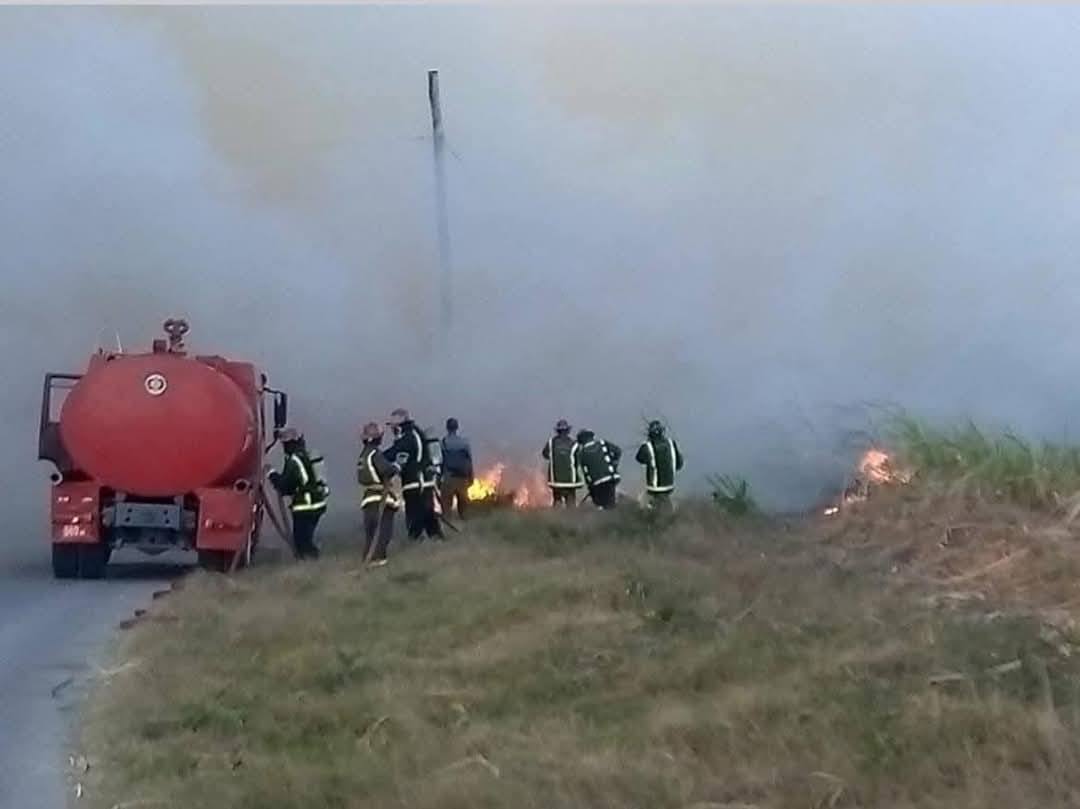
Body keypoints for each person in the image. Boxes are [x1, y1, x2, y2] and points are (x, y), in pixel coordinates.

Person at [267, 427, 329, 559]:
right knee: (305, 539)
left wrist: (271, 474)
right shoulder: (305, 455)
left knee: (302, 543)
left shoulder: (294, 460)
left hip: (305, 506)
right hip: (316, 503)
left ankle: (311, 562)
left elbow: (285, 486)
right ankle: (310, 561)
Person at [385, 408, 444, 541]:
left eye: (393, 425)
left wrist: (377, 458)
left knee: (414, 513)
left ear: (399, 425)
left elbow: (394, 452)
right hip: (422, 481)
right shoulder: (415, 433)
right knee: (427, 513)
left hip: (416, 483)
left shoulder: (408, 437)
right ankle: (436, 539)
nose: (392, 429)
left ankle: (415, 540)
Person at [357, 421, 400, 566]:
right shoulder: (375, 453)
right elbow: (386, 470)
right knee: (383, 533)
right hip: (381, 499)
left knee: (371, 534)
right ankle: (377, 561)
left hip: (369, 500)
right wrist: (397, 466)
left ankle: (367, 559)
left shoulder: (363, 455)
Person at [635, 420, 685, 512]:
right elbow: (679, 464)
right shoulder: (671, 443)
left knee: (641, 502)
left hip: (654, 487)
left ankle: (647, 516)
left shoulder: (647, 446)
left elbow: (639, 459)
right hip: (670, 485)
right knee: (664, 501)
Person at [576, 429, 621, 509]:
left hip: (597, 483)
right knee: (611, 503)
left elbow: (586, 472)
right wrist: (614, 464)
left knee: (601, 504)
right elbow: (618, 451)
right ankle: (613, 517)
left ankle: (605, 517)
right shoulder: (603, 443)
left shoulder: (581, 453)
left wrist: (590, 487)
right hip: (610, 478)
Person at [541, 419, 582, 507]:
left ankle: (556, 519)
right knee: (571, 502)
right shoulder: (574, 444)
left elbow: (545, 455)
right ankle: (572, 518)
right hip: (570, 481)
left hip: (555, 480)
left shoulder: (551, 443)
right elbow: (577, 461)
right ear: (567, 431)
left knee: (557, 500)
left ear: (558, 431)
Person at [440, 417, 474, 520]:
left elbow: (440, 462)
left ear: (447, 428)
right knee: (464, 510)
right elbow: (469, 462)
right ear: (457, 427)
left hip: (448, 478)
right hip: (462, 479)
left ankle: (448, 531)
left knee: (446, 509)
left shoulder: (443, 443)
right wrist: (471, 477)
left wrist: (438, 479)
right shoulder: (465, 443)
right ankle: (466, 532)